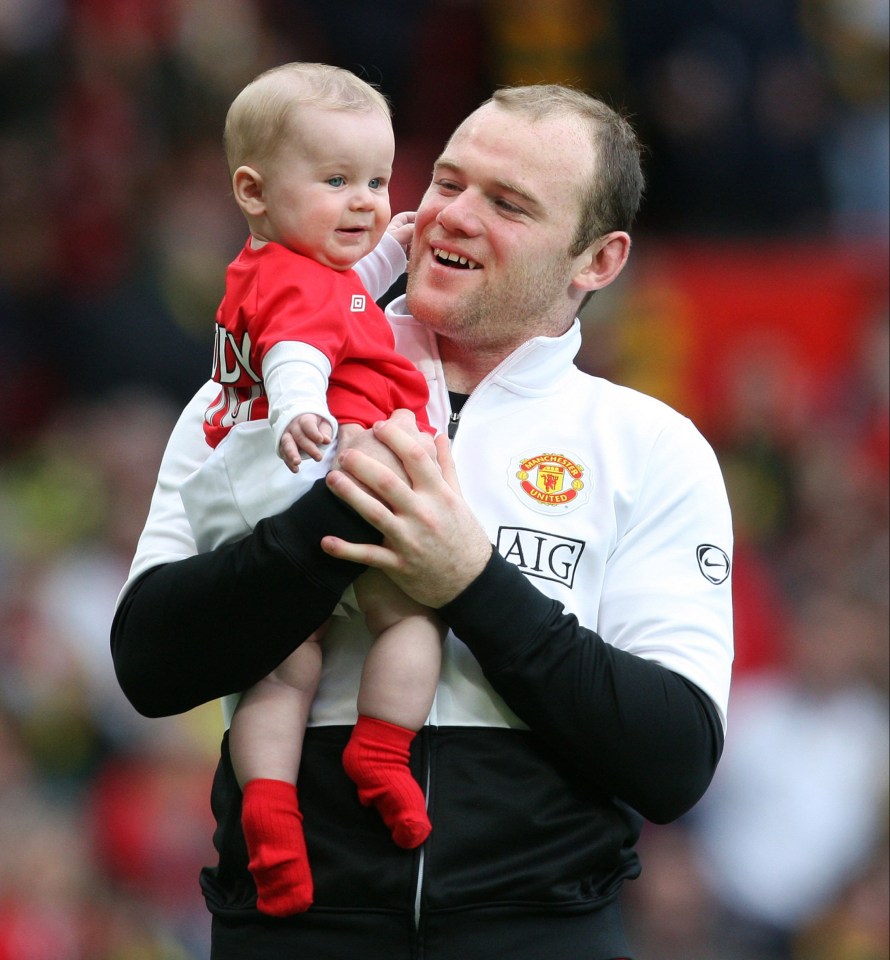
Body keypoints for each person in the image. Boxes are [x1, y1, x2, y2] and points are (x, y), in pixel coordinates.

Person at [111, 81, 734, 960]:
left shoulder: (649, 447)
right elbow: (149, 663)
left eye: (508, 203)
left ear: (597, 260)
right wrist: (334, 522)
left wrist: (472, 582)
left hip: (539, 935)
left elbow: (671, 761)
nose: (452, 217)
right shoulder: (258, 388)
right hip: (293, 932)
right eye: (446, 182)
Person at [178, 62, 444, 917]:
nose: (366, 200)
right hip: (319, 474)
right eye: (335, 181)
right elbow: (304, 349)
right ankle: (382, 751)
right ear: (253, 192)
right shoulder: (296, 290)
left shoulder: (272, 269)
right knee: (410, 613)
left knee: (282, 673)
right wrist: (303, 411)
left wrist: (394, 250)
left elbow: (338, 306)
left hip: (246, 497)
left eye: (375, 179)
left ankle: (269, 809)